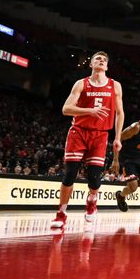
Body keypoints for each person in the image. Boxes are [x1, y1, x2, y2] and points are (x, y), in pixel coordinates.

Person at [50, 51, 124, 228]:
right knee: (69, 175)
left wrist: (118, 137)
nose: (101, 61)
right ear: (91, 64)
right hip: (79, 132)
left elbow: (120, 113)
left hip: (100, 134)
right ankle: (61, 214)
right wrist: (89, 111)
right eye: (98, 59)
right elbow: (66, 109)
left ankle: (92, 201)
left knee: (94, 179)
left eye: (104, 60)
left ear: (107, 66)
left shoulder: (115, 86)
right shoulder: (81, 83)